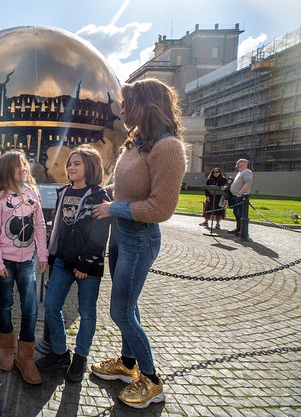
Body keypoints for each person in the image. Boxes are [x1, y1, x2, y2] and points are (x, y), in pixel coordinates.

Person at [91, 78, 186, 409]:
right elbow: (131, 184)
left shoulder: (168, 148)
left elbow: (160, 208)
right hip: (121, 234)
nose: (122, 110)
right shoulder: (138, 143)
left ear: (147, 105)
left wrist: (112, 207)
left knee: (120, 310)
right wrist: (109, 190)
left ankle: (151, 380)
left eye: (128, 103)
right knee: (129, 307)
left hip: (139, 239)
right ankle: (127, 364)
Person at [35, 146, 110, 383]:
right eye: (69, 164)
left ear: (90, 166)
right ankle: (60, 352)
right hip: (63, 262)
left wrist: (85, 264)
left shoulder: (99, 196)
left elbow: (100, 234)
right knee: (51, 305)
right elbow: (57, 228)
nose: (71, 167)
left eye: (77, 163)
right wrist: (48, 253)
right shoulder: (63, 192)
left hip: (88, 266)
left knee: (86, 312)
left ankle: (81, 356)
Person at [0, 150, 48, 385]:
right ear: (6, 170)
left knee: (30, 307)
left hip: (27, 262)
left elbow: (40, 226)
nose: (23, 169)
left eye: (24, 164)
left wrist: (42, 254)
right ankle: (6, 349)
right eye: (17, 166)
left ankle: (25, 355)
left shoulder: (33, 194)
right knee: (5, 304)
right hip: (5, 263)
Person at [228, 158, 253, 236]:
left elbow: (248, 183)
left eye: (239, 162)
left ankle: (243, 231)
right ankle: (238, 229)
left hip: (241, 197)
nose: (237, 164)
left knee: (241, 214)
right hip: (235, 197)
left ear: (244, 163)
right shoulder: (239, 172)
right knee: (236, 213)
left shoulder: (247, 172)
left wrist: (240, 193)